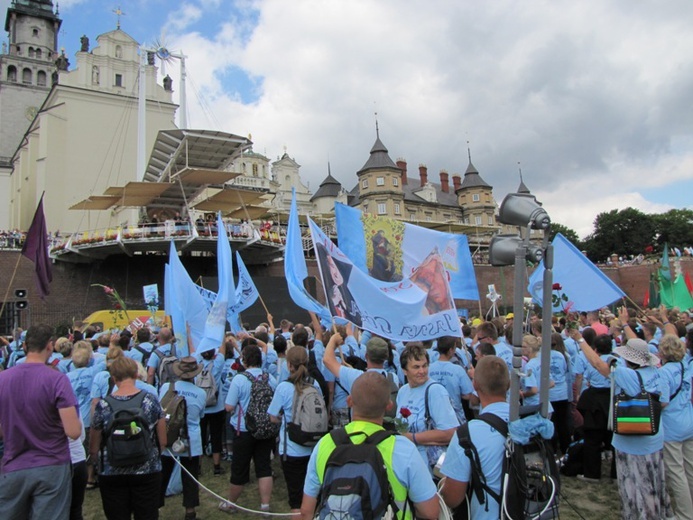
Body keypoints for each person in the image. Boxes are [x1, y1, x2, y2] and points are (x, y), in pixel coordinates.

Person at [301, 371, 439, 519]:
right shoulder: (402, 449)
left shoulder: (325, 444)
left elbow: (306, 511)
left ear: (349, 401)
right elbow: (430, 511)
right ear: (389, 406)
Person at [570, 321, 673, 519]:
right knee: (653, 483)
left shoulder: (628, 375)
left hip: (631, 442)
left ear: (629, 359)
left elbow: (598, 364)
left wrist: (580, 340)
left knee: (634, 486)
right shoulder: (660, 375)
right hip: (654, 439)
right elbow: (664, 404)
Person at [0, 324, 82, 519]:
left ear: (26, 346)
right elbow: (73, 431)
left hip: (13, 465)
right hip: (51, 464)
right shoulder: (57, 380)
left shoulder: (3, 379)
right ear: (50, 346)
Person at [89, 356, 166, 520]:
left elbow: (94, 444)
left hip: (112, 469)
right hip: (147, 468)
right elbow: (163, 440)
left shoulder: (104, 405)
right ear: (136, 374)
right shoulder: (150, 400)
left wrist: (95, 459)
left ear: (113, 378)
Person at [440, 356, 510, 519]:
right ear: (508, 385)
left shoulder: (467, 434)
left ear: (475, 385)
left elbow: (452, 498)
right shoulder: (527, 421)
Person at [220, 344, 277, 515]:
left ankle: (231, 503)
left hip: (244, 429)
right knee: (264, 466)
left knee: (239, 468)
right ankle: (265, 506)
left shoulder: (239, 379)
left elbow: (229, 407)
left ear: (245, 360)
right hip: (266, 428)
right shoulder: (270, 379)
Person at [268, 347, 323, 515]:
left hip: (291, 450)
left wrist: (286, 420)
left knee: (296, 500)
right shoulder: (315, 384)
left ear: (289, 365)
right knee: (312, 495)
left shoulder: (283, 388)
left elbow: (272, 416)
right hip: (313, 447)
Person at [396, 342, 458, 471]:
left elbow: (450, 433)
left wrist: (413, 438)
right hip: (406, 463)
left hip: (428, 468)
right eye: (416, 367)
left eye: (424, 366)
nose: (422, 371)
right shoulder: (403, 391)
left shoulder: (435, 391)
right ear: (404, 370)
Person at [159, 357, 207, 520]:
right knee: (191, 475)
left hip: (169, 434)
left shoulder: (166, 387)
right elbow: (200, 415)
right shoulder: (201, 393)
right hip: (190, 437)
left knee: (162, 473)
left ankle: (154, 508)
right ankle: (190, 511)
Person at [658, 333, 693, 520]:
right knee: (691, 468)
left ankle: (685, 514)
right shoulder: (684, 364)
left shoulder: (664, 372)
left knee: (676, 471)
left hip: (672, 425)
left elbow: (663, 401)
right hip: (688, 419)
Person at [574, 334, 615, 482]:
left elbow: (586, 378)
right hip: (612, 398)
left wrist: (578, 394)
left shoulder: (594, 363)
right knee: (614, 437)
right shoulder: (618, 361)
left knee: (592, 438)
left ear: (595, 349)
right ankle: (615, 474)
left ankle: (592, 473)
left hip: (597, 400)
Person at [428, 336, 474, 424]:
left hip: (435, 416)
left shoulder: (429, 369)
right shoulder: (458, 370)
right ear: (450, 350)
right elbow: (468, 394)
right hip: (455, 417)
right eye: (454, 348)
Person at [315, 242, 362, 326]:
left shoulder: (348, 290)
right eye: (330, 265)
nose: (335, 271)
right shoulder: (331, 306)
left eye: (333, 264)